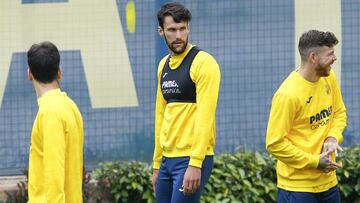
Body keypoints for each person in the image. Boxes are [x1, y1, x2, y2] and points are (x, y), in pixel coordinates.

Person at [151, 2, 221, 203]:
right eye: (172, 30)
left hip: (191, 159)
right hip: (166, 161)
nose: (179, 35)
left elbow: (205, 116)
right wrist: (157, 165)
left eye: (183, 28)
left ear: (188, 28)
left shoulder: (204, 63)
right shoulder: (162, 66)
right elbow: (160, 116)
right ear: (161, 31)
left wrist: (195, 163)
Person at [266, 30, 347, 203]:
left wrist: (332, 138)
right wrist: (314, 162)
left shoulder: (328, 77)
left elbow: (339, 112)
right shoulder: (287, 95)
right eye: (330, 54)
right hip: (297, 189)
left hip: (328, 184)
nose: (335, 58)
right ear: (313, 57)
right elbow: (275, 144)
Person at [27, 41, 84, 203]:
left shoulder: (49, 113)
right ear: (59, 72)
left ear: (29, 74)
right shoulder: (70, 106)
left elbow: (54, 174)